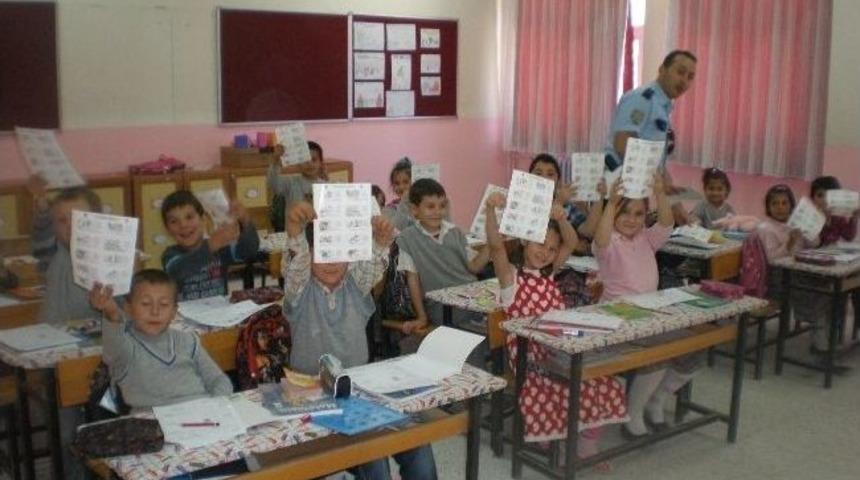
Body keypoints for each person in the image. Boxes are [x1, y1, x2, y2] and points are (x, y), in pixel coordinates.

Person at [281, 201, 437, 480]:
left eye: (339, 254)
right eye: (323, 253)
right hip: (310, 396)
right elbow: (295, 267)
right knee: (374, 459)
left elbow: (374, 261)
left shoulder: (356, 285)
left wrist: (380, 239)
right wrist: (295, 231)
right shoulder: (300, 292)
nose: (331, 262)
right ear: (310, 255)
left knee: (417, 440)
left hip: (358, 390)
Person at [484, 190, 626, 470]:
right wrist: (490, 210)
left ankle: (585, 445)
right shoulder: (511, 278)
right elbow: (497, 247)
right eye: (540, 244)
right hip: (532, 357)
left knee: (600, 379)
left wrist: (561, 218)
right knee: (555, 390)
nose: (545, 253)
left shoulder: (551, 271)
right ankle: (553, 445)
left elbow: (571, 240)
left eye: (551, 249)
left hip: (562, 347)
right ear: (525, 240)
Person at [594, 175, 697, 437]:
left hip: (650, 316)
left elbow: (666, 222)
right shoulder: (608, 244)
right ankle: (633, 413)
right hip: (617, 320)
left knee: (692, 346)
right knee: (659, 352)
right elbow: (602, 236)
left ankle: (657, 399)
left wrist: (660, 193)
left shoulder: (646, 239)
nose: (631, 219)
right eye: (624, 212)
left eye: (639, 213)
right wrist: (611, 202)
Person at [89, 269, 233, 411]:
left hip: (202, 413)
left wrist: (216, 407)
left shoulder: (189, 341)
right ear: (128, 308)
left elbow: (218, 380)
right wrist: (111, 313)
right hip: (153, 424)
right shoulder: (126, 348)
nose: (155, 312)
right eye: (145, 304)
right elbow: (114, 344)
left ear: (174, 312)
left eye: (163, 305)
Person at [605, 50, 697, 225]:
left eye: (690, 77)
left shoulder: (662, 107)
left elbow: (657, 163)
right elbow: (622, 143)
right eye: (680, 72)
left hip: (637, 190)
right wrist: (656, 181)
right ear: (662, 69)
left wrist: (676, 205)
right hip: (618, 189)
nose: (684, 80)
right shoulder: (642, 99)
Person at [395, 179, 490, 330]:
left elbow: (474, 267)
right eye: (430, 207)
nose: (438, 212)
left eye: (442, 206)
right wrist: (421, 317)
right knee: (473, 335)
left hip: (473, 299)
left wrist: (492, 243)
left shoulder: (455, 232)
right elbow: (413, 280)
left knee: (498, 323)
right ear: (414, 209)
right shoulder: (407, 239)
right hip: (442, 307)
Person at [161, 190, 259, 301]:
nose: (183, 225)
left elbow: (249, 251)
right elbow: (179, 270)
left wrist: (245, 221)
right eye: (174, 221)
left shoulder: (219, 249)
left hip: (219, 314)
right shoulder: (170, 255)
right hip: (185, 317)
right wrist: (211, 245)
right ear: (167, 230)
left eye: (189, 217)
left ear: (203, 219)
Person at [37, 187, 106, 325]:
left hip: (93, 338)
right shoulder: (54, 252)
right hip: (50, 335)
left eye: (78, 219)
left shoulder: (112, 259)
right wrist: (41, 205)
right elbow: (41, 235)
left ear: (98, 220)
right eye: (62, 221)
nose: (71, 226)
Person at [528, 153, 603, 253]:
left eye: (550, 174)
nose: (544, 178)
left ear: (558, 181)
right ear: (529, 177)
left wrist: (599, 197)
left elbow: (589, 231)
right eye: (538, 173)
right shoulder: (523, 202)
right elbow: (532, 235)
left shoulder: (567, 205)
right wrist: (558, 202)